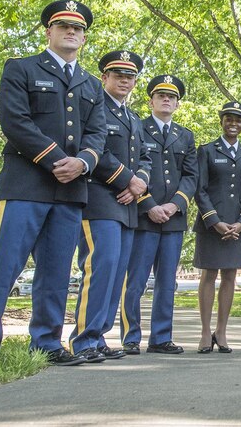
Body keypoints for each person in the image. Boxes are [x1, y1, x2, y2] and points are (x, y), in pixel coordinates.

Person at [0, 0, 105, 366]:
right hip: (25, 186)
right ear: (49, 31)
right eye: (64, 26)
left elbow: (98, 134)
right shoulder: (22, 68)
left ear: (84, 38)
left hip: (71, 191)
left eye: (78, 29)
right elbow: (15, 121)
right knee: (4, 268)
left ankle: (47, 343)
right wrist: (59, 160)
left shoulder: (92, 84)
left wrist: (83, 163)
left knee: (57, 272)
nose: (71, 32)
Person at [68, 50, 150, 363]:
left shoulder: (132, 118)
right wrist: (127, 181)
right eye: (118, 75)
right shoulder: (94, 106)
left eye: (130, 77)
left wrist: (137, 184)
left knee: (116, 273)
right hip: (100, 199)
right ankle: (83, 339)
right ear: (105, 77)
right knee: (100, 269)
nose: (125, 81)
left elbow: (144, 157)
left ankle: (99, 335)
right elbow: (93, 149)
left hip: (127, 205)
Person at [122, 74, 197, 355]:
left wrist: (175, 204)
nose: (167, 100)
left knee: (167, 283)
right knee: (136, 281)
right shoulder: (137, 128)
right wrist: (149, 204)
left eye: (172, 97)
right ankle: (130, 337)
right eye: (161, 96)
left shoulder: (185, 136)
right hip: (143, 217)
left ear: (177, 104)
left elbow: (191, 176)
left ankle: (161, 337)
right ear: (151, 100)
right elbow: (131, 168)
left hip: (173, 219)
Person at [193, 101, 241, 354]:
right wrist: (215, 221)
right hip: (211, 224)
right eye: (229, 119)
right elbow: (200, 189)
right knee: (208, 275)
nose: (234, 124)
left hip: (237, 226)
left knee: (230, 276)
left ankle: (221, 331)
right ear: (221, 121)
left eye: (238, 120)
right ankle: (204, 333)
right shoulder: (207, 150)